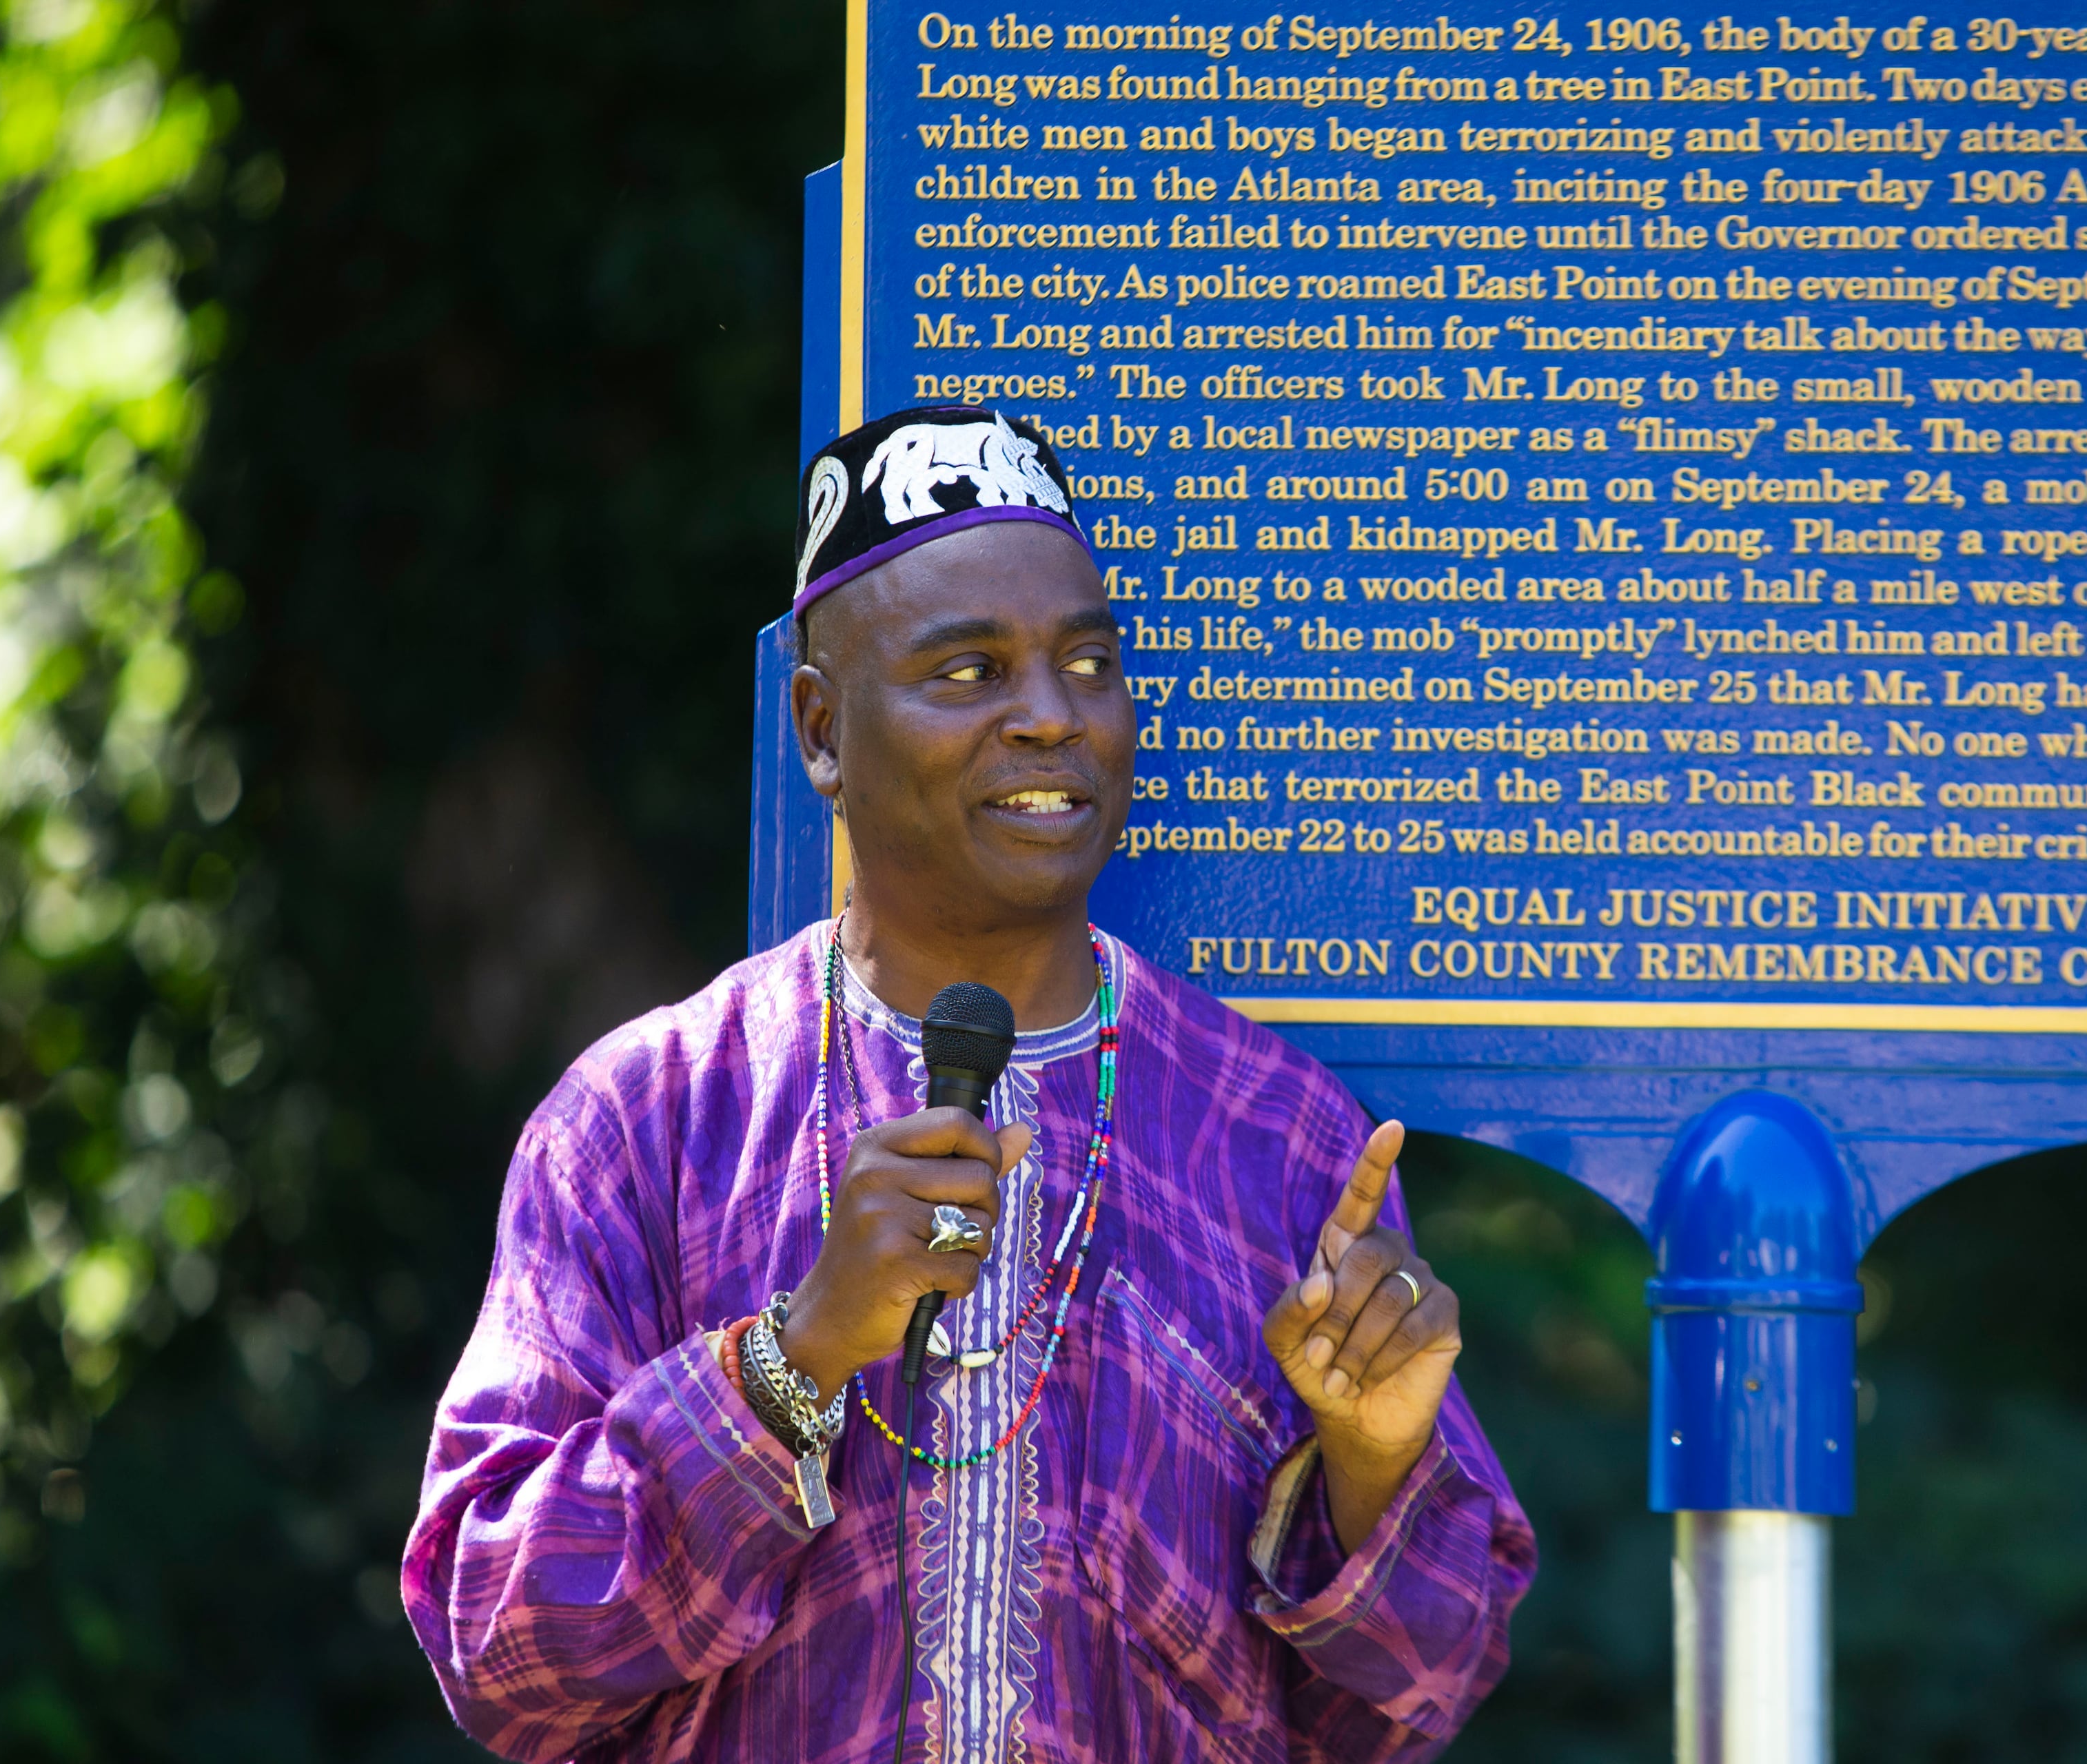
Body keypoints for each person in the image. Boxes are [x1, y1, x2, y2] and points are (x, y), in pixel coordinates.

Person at [402, 406, 1535, 1763]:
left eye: (1088, 661)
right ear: (824, 730)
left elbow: (1413, 1701)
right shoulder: (647, 1121)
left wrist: (1371, 1460)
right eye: (969, 669)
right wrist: (794, 1354)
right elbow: (503, 1656)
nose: (1051, 715)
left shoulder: (1280, 1132)